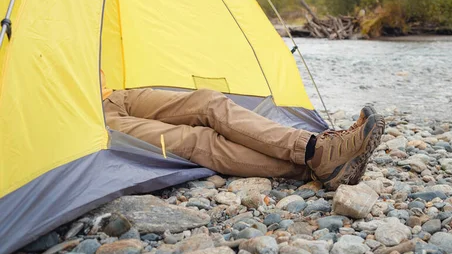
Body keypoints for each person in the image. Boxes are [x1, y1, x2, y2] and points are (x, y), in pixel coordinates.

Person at [101, 71, 384, 190]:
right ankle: (319, 161)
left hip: (112, 95)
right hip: (86, 117)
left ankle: (319, 153)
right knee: (198, 140)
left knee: (208, 102)